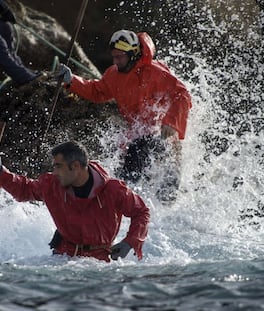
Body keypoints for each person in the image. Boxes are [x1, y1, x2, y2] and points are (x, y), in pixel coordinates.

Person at [57, 30, 192, 203]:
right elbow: (98, 92)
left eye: (120, 57)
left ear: (133, 54)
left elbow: (182, 95)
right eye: (114, 57)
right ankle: (121, 202)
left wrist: (171, 122)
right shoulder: (113, 74)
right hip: (138, 136)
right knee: (129, 162)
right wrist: (72, 81)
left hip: (164, 137)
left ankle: (130, 201)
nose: (116, 61)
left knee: (165, 192)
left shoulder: (156, 72)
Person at [0, 141, 150, 262]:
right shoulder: (51, 184)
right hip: (61, 257)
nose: (54, 172)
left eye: (58, 166)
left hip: (100, 261)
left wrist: (130, 242)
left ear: (75, 166)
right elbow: (25, 190)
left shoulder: (114, 190)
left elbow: (141, 212)